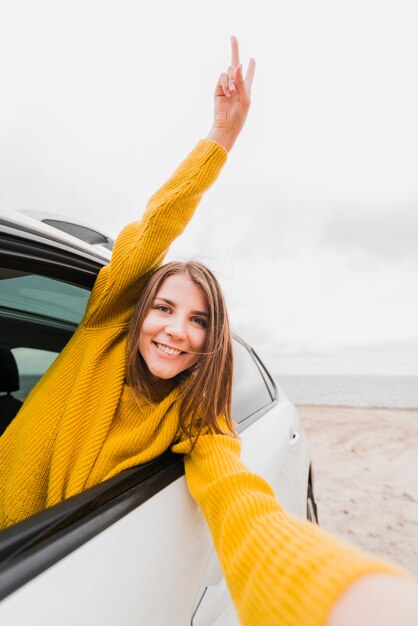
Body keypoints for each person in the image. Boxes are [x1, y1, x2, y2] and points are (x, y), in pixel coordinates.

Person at [1, 36, 418, 626]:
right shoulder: (100, 331)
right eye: (164, 308)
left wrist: (335, 592)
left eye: (199, 320)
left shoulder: (194, 417)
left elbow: (240, 502)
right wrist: (220, 137)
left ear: (213, 341)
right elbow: (157, 221)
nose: (176, 330)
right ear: (136, 306)